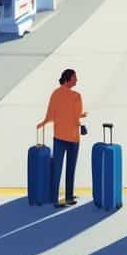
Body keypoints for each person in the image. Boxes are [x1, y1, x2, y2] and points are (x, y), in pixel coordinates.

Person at [37, 68, 87, 208]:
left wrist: (43, 123)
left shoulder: (55, 94)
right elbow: (75, 116)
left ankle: (54, 198)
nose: (76, 80)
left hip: (58, 137)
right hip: (72, 138)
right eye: (74, 78)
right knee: (70, 169)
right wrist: (81, 123)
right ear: (68, 79)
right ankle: (69, 197)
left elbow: (51, 115)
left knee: (57, 168)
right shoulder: (76, 96)